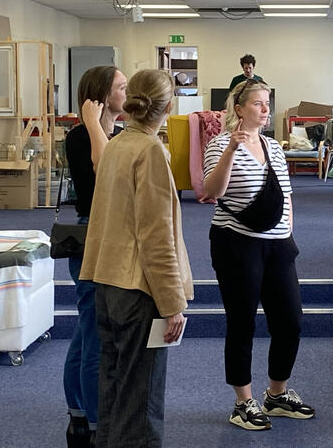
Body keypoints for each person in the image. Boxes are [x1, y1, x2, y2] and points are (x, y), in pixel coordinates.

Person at [80, 69, 193, 448]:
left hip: (107, 284)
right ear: (169, 107)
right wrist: (172, 303)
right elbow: (156, 236)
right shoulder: (150, 151)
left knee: (113, 394)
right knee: (140, 405)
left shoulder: (115, 145)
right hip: (139, 292)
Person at [202, 80, 315, 431]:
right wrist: (231, 150)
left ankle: (276, 394)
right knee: (242, 323)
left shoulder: (274, 146)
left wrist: (287, 232)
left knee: (290, 321)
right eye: (257, 103)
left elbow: (286, 194)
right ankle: (243, 402)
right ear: (239, 109)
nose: (266, 110)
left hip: (278, 245)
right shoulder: (219, 144)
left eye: (267, 103)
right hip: (237, 243)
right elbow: (211, 191)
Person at [61, 66, 126, 448]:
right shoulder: (80, 137)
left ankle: (78, 416)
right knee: (95, 337)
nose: (128, 92)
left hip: (112, 236)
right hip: (92, 237)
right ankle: (98, 425)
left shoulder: (118, 134)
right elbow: (103, 180)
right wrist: (91, 121)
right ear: (101, 95)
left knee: (85, 333)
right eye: (121, 87)